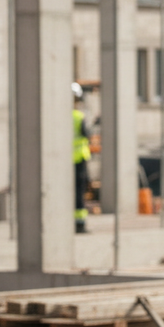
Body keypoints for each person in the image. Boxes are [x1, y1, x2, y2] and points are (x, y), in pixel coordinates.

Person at [72, 82, 91, 234]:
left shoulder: (56, 115)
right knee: (79, 192)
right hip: (78, 159)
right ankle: (79, 223)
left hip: (61, 161)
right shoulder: (78, 116)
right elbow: (86, 135)